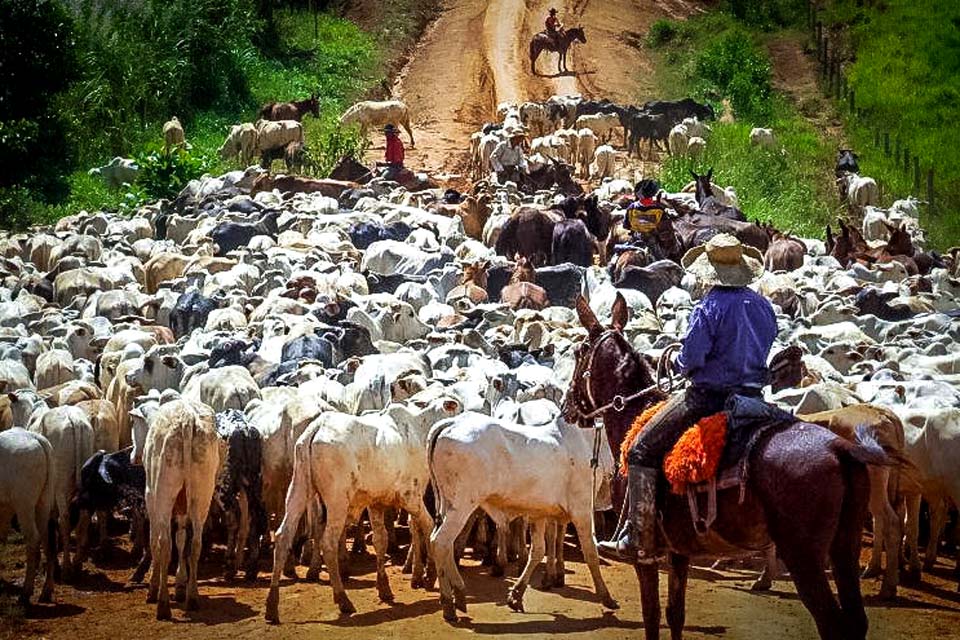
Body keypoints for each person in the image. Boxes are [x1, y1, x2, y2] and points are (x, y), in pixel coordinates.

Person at [597, 233, 778, 564]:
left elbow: (692, 359)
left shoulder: (709, 306)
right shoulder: (763, 305)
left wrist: (676, 361)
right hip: (753, 397)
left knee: (640, 449)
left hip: (709, 398)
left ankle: (640, 538)